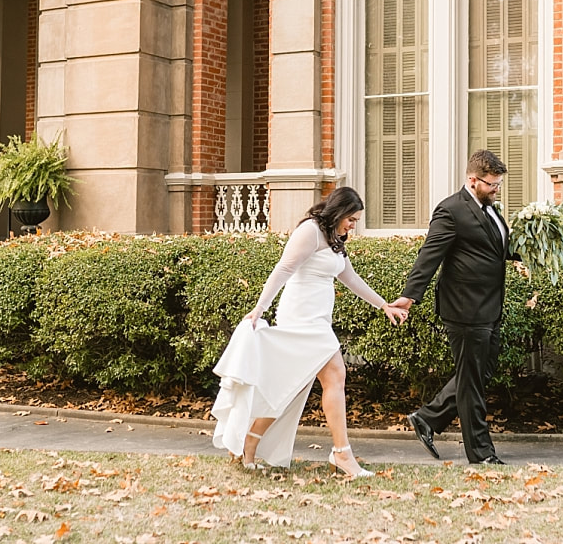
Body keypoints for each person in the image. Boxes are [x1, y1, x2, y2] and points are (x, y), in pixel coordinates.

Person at [210, 186, 408, 479]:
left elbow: (348, 276)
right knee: (335, 373)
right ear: (339, 211)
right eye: (351, 219)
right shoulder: (310, 231)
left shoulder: (335, 237)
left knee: (291, 388)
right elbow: (284, 268)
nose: (353, 225)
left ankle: (249, 441)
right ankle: (342, 454)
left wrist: (383, 306)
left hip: (319, 319)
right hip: (300, 317)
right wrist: (260, 308)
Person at [392, 150, 513, 465]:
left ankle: (428, 418)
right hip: (464, 309)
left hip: (490, 307)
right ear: (472, 180)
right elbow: (428, 257)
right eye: (491, 184)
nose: (496, 189)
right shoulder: (451, 211)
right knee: (472, 383)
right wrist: (409, 296)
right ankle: (482, 454)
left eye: (498, 184)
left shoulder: (491, 210)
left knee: (478, 373)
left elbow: (496, 249)